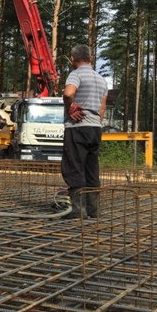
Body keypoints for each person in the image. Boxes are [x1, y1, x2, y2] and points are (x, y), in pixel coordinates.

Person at [61, 44, 108, 219]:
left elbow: (68, 94)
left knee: (74, 166)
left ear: (73, 59)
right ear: (91, 58)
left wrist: (70, 107)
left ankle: (78, 210)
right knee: (91, 168)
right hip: (95, 128)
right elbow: (102, 108)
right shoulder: (101, 79)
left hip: (77, 127)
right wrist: (95, 121)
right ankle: (93, 209)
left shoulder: (76, 74)